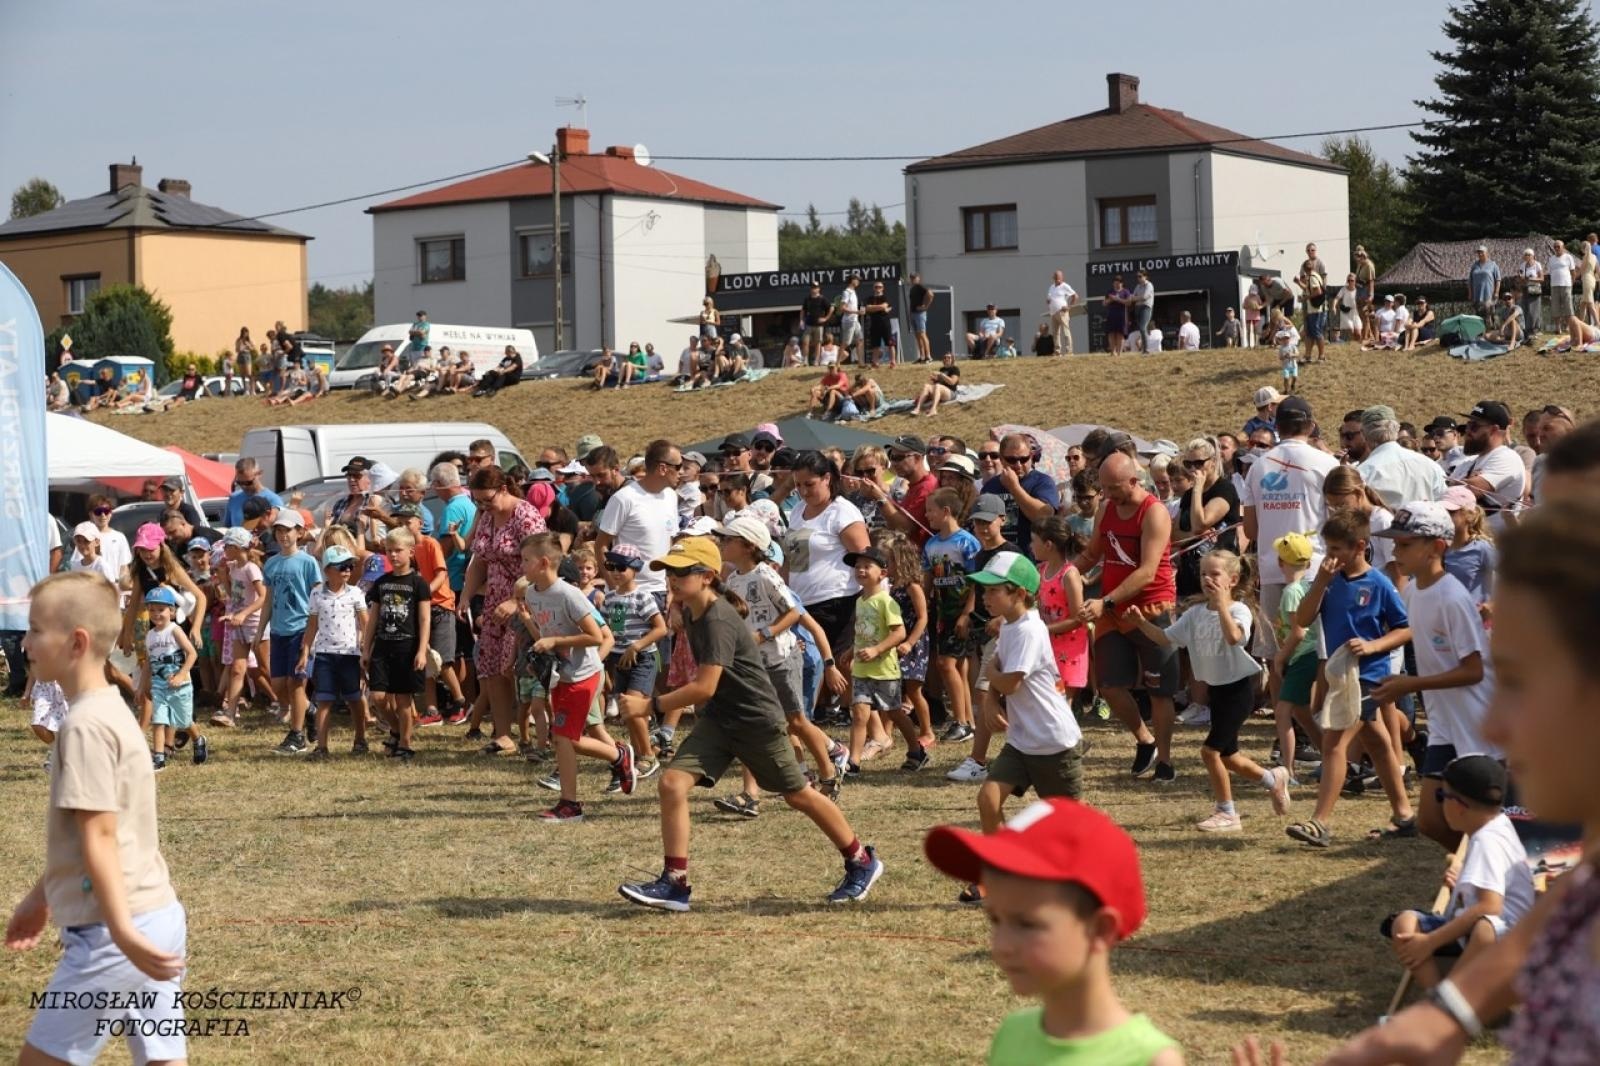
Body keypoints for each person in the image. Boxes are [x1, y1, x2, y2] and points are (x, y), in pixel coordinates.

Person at [616, 536, 885, 911]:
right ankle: (675, 884)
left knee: (798, 795)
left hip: (756, 720)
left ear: (708, 576)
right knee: (672, 783)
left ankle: (862, 861)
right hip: (720, 720)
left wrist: (650, 705)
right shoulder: (693, 610)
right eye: (668, 573)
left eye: (681, 572)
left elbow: (704, 685)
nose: (672, 580)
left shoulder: (717, 619)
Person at [10, 572, 192, 1066]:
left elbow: (100, 838)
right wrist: (39, 899)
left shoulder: (84, 727)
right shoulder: (112, 709)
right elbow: (87, 839)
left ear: (76, 642)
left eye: (33, 630)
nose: (24, 643)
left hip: (115, 931)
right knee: (161, 1060)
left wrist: (122, 934)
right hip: (156, 914)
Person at [923, 798, 1182, 1065]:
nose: (1000, 946)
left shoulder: (1150, 1059)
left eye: (1027, 924)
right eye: (995, 920)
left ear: (1100, 930)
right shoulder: (1012, 1033)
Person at [1284, 510, 1416, 849]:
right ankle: (1404, 815)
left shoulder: (1379, 584)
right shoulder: (1329, 581)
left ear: (1359, 546)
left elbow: (1405, 629)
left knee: (1333, 745)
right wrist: (1320, 583)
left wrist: (1374, 645)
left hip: (1368, 676)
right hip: (1341, 675)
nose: (1330, 556)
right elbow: (1302, 618)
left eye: (1336, 549)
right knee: (1378, 743)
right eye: (1326, 549)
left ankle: (1321, 822)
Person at [1371, 501, 1498, 849]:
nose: (1395, 551)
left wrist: (1412, 684)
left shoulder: (1452, 596)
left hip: (1477, 725)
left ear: (1437, 547)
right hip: (1445, 723)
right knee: (1430, 821)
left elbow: (1474, 671)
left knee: (1490, 829)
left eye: (1406, 544)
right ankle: (1477, 879)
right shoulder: (1412, 591)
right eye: (1395, 543)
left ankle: (1490, 889)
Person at [1134, 551, 1291, 832]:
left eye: (1215, 574)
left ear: (1232, 579)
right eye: (1204, 574)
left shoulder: (1238, 610)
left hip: (1239, 691)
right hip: (1216, 692)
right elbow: (1165, 638)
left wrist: (1220, 606)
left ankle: (1227, 813)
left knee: (1210, 752)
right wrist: (1140, 623)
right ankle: (1273, 779)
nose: (1208, 579)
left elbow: (1235, 639)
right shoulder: (1194, 614)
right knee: (1229, 757)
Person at [1380, 754, 1535, 996]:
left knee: (1485, 929)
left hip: (1501, 936)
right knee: (1404, 924)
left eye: (1441, 796)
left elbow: (1489, 907)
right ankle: (1437, 995)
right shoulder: (1496, 826)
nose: (1440, 803)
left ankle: (1452, 998)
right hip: (1472, 928)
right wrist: (1464, 880)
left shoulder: (1487, 841)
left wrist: (1430, 943)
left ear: (1457, 805)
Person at [1074, 453, 1179, 781]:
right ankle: (1144, 741)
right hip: (1113, 610)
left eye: (1113, 488)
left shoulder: (1155, 513)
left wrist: (1104, 601)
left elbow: (1147, 572)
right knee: (1109, 685)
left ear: (1134, 481)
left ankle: (1165, 761)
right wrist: (1055, 576)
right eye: (1103, 488)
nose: (1107, 495)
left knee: (1159, 691)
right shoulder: (1105, 508)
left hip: (1151, 609)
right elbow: (1093, 553)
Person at [518, 532, 634, 822]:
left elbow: (597, 636)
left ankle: (571, 804)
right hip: (561, 676)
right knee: (566, 739)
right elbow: (546, 634)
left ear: (544, 563)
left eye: (525, 560)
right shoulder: (532, 593)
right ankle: (618, 756)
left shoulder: (569, 595)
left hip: (584, 675)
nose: (521, 565)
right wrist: (540, 655)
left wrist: (555, 644)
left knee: (564, 738)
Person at [461, 466, 547, 755]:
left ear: (503, 489)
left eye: (487, 499)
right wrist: (465, 595)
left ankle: (531, 735)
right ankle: (503, 734)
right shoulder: (487, 517)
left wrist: (516, 600)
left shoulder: (526, 516)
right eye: (478, 501)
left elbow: (541, 564)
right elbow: (480, 562)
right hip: (492, 602)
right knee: (492, 669)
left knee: (516, 669)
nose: (483, 506)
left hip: (526, 602)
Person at [298, 545, 370, 757]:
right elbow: (312, 626)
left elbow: (365, 622)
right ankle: (321, 746)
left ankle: (360, 739)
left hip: (349, 654)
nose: (347, 570)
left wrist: (366, 648)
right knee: (324, 699)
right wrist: (305, 652)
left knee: (354, 698)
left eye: (350, 566)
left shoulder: (356, 593)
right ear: (327, 569)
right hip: (324, 654)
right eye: (342, 566)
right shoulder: (317, 593)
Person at [840, 546, 905, 774]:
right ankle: (854, 762)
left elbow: (899, 633)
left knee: (895, 712)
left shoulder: (886, 602)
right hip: (861, 669)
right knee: (859, 714)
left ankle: (916, 749)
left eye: (867, 566)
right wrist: (851, 650)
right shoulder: (860, 601)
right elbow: (863, 632)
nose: (861, 570)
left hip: (884, 670)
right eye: (857, 567)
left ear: (883, 573)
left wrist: (877, 650)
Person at [263, 511, 322, 755]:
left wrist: (314, 634)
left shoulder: (308, 562)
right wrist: (260, 631)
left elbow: (317, 597)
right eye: (279, 530)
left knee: (296, 683)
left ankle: (297, 736)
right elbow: (268, 601)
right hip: (278, 631)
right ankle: (309, 710)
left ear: (299, 532)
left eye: (287, 530)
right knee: (278, 684)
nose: (283, 535)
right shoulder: (271, 563)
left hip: (301, 629)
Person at [143, 585, 200, 773]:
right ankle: (159, 758)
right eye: (152, 609)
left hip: (180, 686)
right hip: (159, 686)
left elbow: (191, 654)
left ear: (172, 612)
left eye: (161, 610)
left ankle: (198, 740)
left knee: (183, 722)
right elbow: (148, 663)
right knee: (158, 720)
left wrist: (182, 674)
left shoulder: (175, 630)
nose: (156, 614)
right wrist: (143, 685)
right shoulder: (150, 636)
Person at [1446, 400, 1526, 533]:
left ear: (1493, 430)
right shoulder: (1469, 462)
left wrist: (1458, 485)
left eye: (1475, 426)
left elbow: (1464, 494)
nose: (1468, 431)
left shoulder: (1507, 457)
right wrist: (1463, 482)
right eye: (1468, 425)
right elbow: (1442, 493)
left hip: (1495, 547)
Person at [983, 433, 1060, 562]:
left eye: (1024, 459)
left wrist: (1014, 487)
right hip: (998, 559)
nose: (1018, 465)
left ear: (1031, 456)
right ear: (1001, 459)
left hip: (1031, 560)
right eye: (1012, 460)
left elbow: (1045, 516)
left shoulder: (1042, 482)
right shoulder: (990, 486)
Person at [1358, 404, 1447, 511]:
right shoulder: (1429, 464)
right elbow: (1444, 501)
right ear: (1396, 429)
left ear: (1363, 434)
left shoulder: (1365, 471)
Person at [223, 458, 285, 528]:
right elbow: (227, 528)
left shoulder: (274, 500)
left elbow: (280, 530)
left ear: (259, 474)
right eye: (239, 482)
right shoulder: (233, 498)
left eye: (248, 482)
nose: (244, 486)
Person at [911, 351, 961, 417]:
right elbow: (940, 382)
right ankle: (917, 408)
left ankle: (933, 409)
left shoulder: (955, 369)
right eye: (945, 357)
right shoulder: (942, 369)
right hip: (941, 391)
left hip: (951, 393)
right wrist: (935, 380)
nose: (946, 359)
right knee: (927, 386)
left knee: (938, 386)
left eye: (948, 357)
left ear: (952, 360)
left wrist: (941, 375)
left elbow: (952, 382)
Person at [862, 279, 895, 367]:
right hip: (874, 324)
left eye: (879, 287)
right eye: (876, 287)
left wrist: (874, 308)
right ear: (873, 288)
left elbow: (885, 306)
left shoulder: (885, 297)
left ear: (883, 288)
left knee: (890, 343)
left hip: (885, 324)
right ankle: (875, 362)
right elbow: (867, 308)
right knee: (875, 345)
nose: (878, 288)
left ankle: (893, 361)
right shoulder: (870, 298)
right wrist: (880, 307)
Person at [1046, 269, 1078, 355]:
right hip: (1053, 312)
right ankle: (1057, 351)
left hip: (1062, 312)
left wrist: (1069, 307)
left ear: (1062, 277)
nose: (1057, 279)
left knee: (1066, 331)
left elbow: (1075, 296)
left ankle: (1069, 351)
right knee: (1055, 333)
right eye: (1056, 277)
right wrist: (1048, 301)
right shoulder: (1051, 287)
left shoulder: (1065, 286)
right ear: (1054, 278)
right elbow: (1049, 297)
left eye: (1059, 277)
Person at [1466, 245, 1502, 321]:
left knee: (1489, 316)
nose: (1480, 254)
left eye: (1482, 252)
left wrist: (1496, 292)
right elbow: (1470, 280)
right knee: (1478, 317)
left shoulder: (1493, 265)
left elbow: (1498, 280)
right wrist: (1470, 293)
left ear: (1487, 253)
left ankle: (1490, 331)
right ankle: (1481, 332)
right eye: (1478, 252)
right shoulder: (1474, 265)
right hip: (1477, 295)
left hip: (1489, 295)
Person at [801, 282, 831, 364]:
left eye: (815, 287)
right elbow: (803, 310)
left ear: (819, 289)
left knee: (818, 343)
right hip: (808, 324)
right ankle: (805, 360)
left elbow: (831, 308)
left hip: (819, 325)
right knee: (805, 342)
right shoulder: (807, 299)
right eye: (812, 287)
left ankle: (816, 360)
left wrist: (825, 318)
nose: (814, 289)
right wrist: (801, 320)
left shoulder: (822, 299)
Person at [1271, 311, 1300, 394]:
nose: (1275, 321)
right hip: (1286, 335)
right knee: (1285, 345)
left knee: (1291, 346)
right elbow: (1275, 331)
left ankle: (1291, 355)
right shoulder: (1277, 323)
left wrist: (1285, 327)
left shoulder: (1284, 319)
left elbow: (1292, 325)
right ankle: (1286, 389)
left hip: (1291, 333)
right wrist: (1273, 340)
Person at [907, 272, 934, 362]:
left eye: (914, 277)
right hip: (913, 314)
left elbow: (930, 294)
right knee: (918, 336)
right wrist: (910, 314)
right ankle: (922, 357)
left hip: (920, 314)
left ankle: (928, 356)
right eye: (911, 278)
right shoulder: (912, 289)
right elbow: (912, 303)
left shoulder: (919, 286)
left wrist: (925, 306)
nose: (913, 279)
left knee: (922, 334)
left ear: (918, 278)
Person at [1104, 274, 1132, 354]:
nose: (1116, 284)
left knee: (1120, 334)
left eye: (1118, 282)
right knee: (1111, 333)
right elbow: (1104, 303)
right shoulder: (1110, 292)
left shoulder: (1126, 291)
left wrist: (1118, 299)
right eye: (1115, 282)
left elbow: (1129, 302)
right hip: (1111, 315)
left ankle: (1119, 352)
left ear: (1122, 283)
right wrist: (1111, 300)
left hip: (1121, 316)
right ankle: (1113, 352)